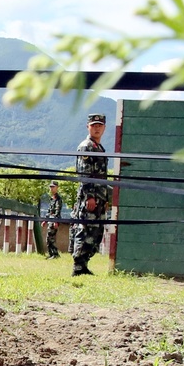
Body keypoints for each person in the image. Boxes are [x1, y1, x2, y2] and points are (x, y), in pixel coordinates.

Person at [71, 113, 112, 276]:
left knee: (96, 232)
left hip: (100, 198)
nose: (97, 128)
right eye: (94, 125)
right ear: (88, 127)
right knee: (85, 229)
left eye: (100, 125)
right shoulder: (86, 147)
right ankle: (78, 266)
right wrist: (89, 196)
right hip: (90, 198)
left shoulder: (99, 148)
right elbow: (84, 173)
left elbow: (102, 176)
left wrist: (105, 198)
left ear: (104, 128)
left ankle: (84, 264)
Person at [44, 181, 62, 259]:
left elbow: (57, 210)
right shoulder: (52, 198)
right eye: (50, 187)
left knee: (51, 238)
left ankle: (55, 254)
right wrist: (45, 220)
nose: (51, 188)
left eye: (53, 187)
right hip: (50, 220)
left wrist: (56, 221)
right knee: (49, 238)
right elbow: (49, 210)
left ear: (57, 188)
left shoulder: (58, 199)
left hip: (54, 220)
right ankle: (51, 254)